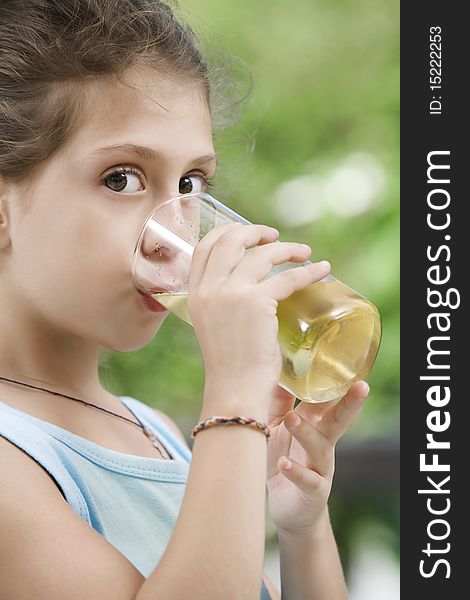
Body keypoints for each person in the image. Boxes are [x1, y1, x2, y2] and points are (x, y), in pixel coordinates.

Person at [0, 1, 370, 598]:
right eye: (121, 178)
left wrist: (302, 526)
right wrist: (234, 397)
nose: (177, 237)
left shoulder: (152, 433)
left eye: (191, 184)